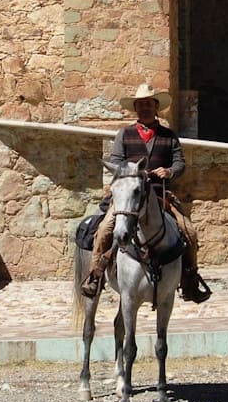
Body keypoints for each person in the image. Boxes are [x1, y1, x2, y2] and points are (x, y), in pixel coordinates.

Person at [79, 84, 210, 303]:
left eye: (149, 104)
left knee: (190, 232)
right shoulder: (124, 134)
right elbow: (116, 163)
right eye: (141, 105)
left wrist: (169, 171)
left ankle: (190, 279)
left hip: (160, 195)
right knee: (103, 230)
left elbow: (180, 163)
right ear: (136, 109)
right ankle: (95, 274)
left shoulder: (168, 136)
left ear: (156, 107)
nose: (145, 108)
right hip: (129, 198)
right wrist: (132, 172)